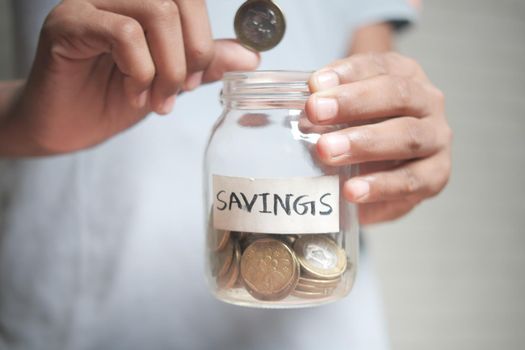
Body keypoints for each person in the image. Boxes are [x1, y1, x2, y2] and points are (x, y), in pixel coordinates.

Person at [0, 0, 452, 349]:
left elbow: (367, 88)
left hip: (311, 330)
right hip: (68, 317)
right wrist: (24, 120)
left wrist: (397, 139)